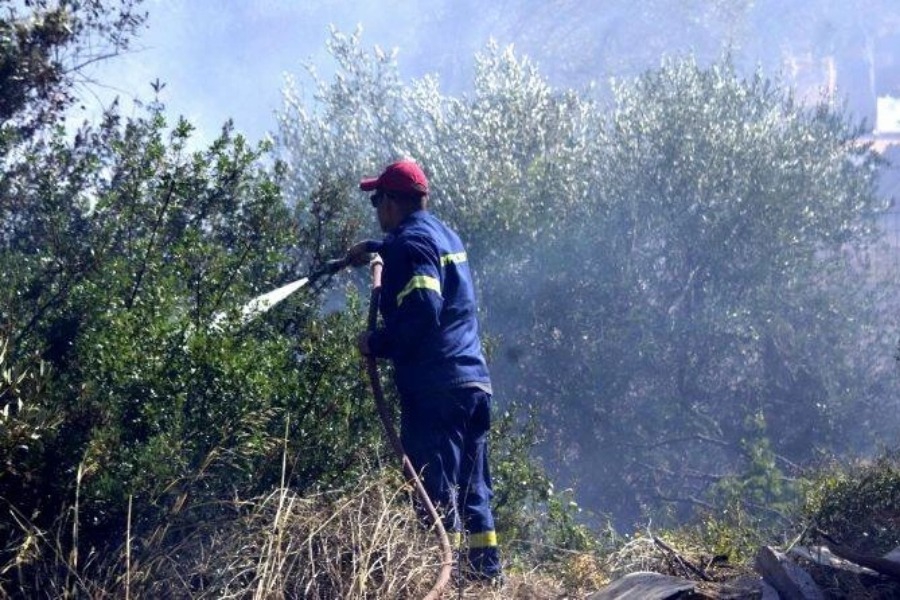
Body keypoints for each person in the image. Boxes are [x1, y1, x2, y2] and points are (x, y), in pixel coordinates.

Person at [347, 159, 502, 582]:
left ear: (393, 202)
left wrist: (377, 343)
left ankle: (440, 581)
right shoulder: (442, 234)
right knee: (474, 491)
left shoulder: (409, 244)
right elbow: (423, 262)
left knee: (435, 493)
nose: (376, 209)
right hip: (472, 382)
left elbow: (423, 307)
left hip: (437, 389)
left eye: (378, 200)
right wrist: (377, 249)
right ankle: (485, 582)